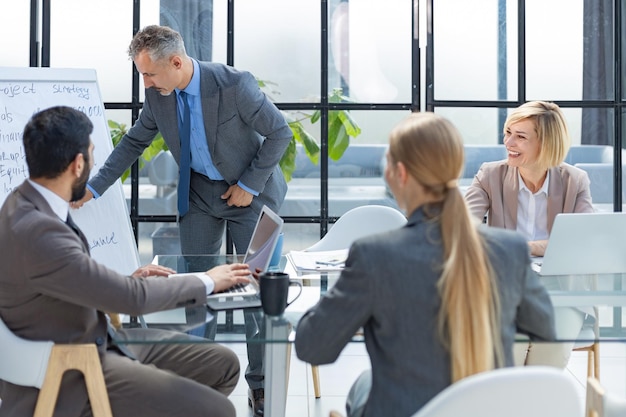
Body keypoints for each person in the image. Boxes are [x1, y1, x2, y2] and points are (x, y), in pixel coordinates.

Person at [72, 25, 293, 415]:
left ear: (176, 62)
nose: (146, 82)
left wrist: (248, 184)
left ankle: (259, 387)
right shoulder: (158, 95)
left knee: (255, 297)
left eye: (150, 74)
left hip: (250, 194)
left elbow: (279, 133)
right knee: (196, 288)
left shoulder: (233, 85)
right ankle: (198, 383)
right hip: (201, 196)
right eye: (142, 74)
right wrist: (95, 186)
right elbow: (134, 142)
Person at [294, 112, 556, 417]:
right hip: (485, 410)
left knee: (363, 387)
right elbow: (545, 328)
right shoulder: (509, 250)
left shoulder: (374, 255)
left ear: (400, 174)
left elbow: (313, 348)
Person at [0, 106, 255, 417]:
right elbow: (132, 300)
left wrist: (127, 280)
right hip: (71, 364)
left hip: (93, 335)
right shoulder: (39, 232)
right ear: (78, 164)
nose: (94, 162)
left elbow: (67, 280)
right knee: (219, 411)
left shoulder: (25, 202)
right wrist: (210, 280)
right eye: (92, 154)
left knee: (223, 365)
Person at [464, 100, 594, 368]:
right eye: (507, 133)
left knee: (549, 354)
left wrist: (523, 247)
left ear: (546, 143)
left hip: (562, 289)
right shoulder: (490, 175)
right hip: (504, 287)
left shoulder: (576, 180)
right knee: (508, 351)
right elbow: (464, 230)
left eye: (520, 136)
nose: (509, 142)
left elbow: (581, 241)